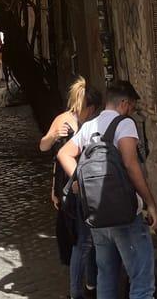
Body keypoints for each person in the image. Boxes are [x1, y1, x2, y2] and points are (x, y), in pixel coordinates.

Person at [58, 80, 157, 299]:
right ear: (124, 103)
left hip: (98, 217)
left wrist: (81, 182)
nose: (132, 111)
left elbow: (63, 154)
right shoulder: (124, 124)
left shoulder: (89, 126)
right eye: (132, 107)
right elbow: (131, 167)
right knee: (141, 283)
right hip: (126, 215)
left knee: (106, 276)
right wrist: (151, 204)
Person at [40, 77, 102, 299]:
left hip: (86, 187)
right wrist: (55, 135)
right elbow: (44, 146)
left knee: (89, 240)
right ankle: (79, 291)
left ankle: (89, 286)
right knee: (81, 241)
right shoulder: (64, 120)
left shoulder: (93, 122)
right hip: (70, 188)